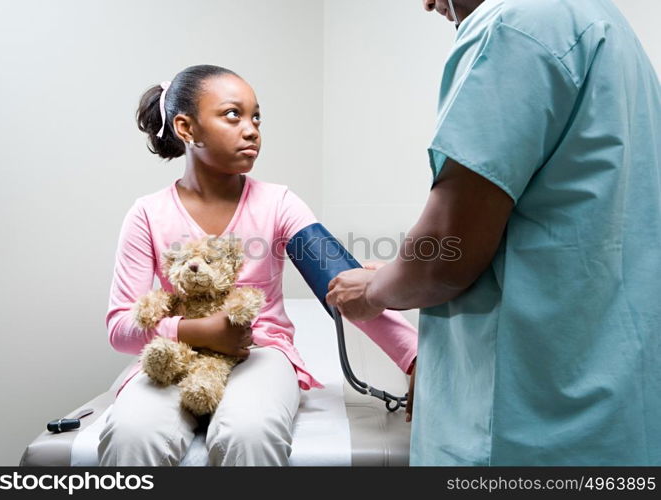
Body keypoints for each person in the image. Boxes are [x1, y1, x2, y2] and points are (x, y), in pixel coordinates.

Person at [327, 0, 661, 465]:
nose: (428, 3)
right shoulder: (606, 27)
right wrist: (402, 273)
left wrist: (375, 291)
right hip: (612, 418)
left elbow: (446, 252)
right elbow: (575, 231)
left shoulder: (515, 27)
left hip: (525, 431)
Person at [97, 64, 417, 466]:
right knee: (131, 433)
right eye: (233, 115)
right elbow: (121, 327)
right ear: (186, 128)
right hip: (175, 355)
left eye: (256, 117)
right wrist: (198, 331)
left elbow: (344, 287)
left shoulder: (279, 204)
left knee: (249, 432)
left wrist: (414, 358)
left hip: (260, 353)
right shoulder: (146, 214)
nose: (251, 130)